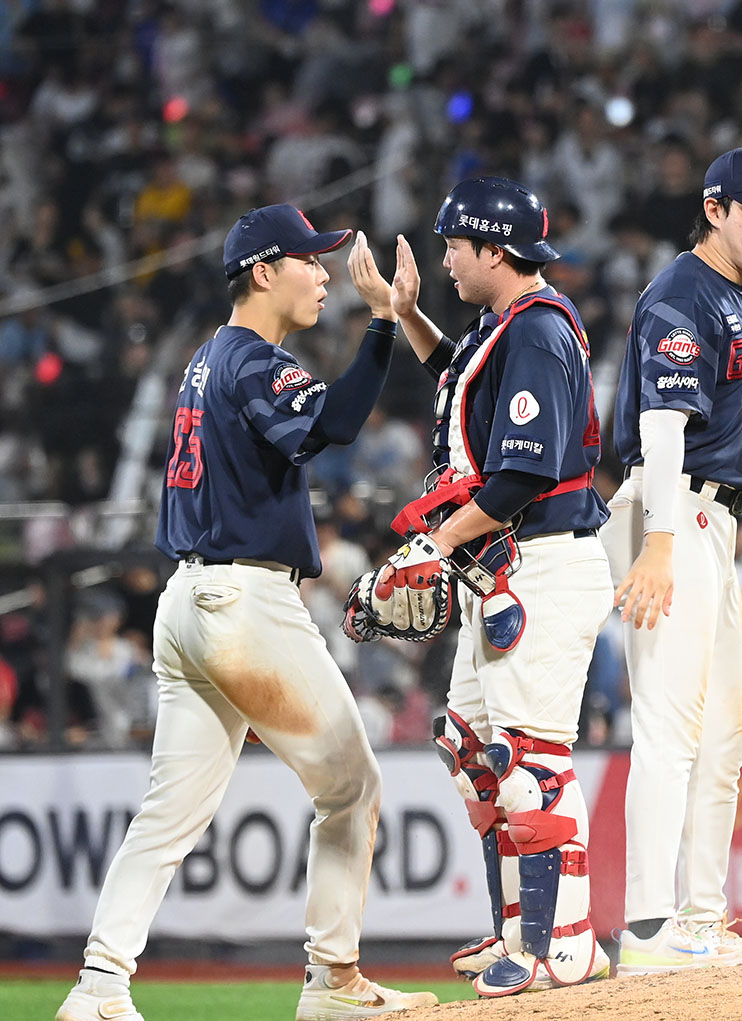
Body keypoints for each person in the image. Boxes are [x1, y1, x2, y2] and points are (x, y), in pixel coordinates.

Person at [56, 204, 437, 1021]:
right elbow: (329, 427)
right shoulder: (253, 359)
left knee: (167, 814)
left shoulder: (205, 361)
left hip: (186, 601)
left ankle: (98, 986)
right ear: (264, 271)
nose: (325, 273)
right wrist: (383, 325)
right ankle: (333, 982)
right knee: (354, 787)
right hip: (242, 602)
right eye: (309, 259)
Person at [358, 177, 613, 997]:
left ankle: (559, 942)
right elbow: (458, 373)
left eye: (454, 248)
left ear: (494, 251)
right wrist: (404, 312)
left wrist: (433, 542)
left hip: (545, 559)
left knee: (531, 758)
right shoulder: (510, 324)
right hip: (507, 568)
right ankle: (517, 928)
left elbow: (521, 473)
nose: (445, 261)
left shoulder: (536, 332)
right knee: (471, 746)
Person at [601, 146, 742, 974]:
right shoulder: (684, 289)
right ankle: (648, 928)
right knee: (669, 726)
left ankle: (701, 915)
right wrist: (659, 538)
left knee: (723, 734)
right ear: (714, 210)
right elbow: (661, 424)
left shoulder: (733, 298)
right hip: (671, 505)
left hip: (705, 517)